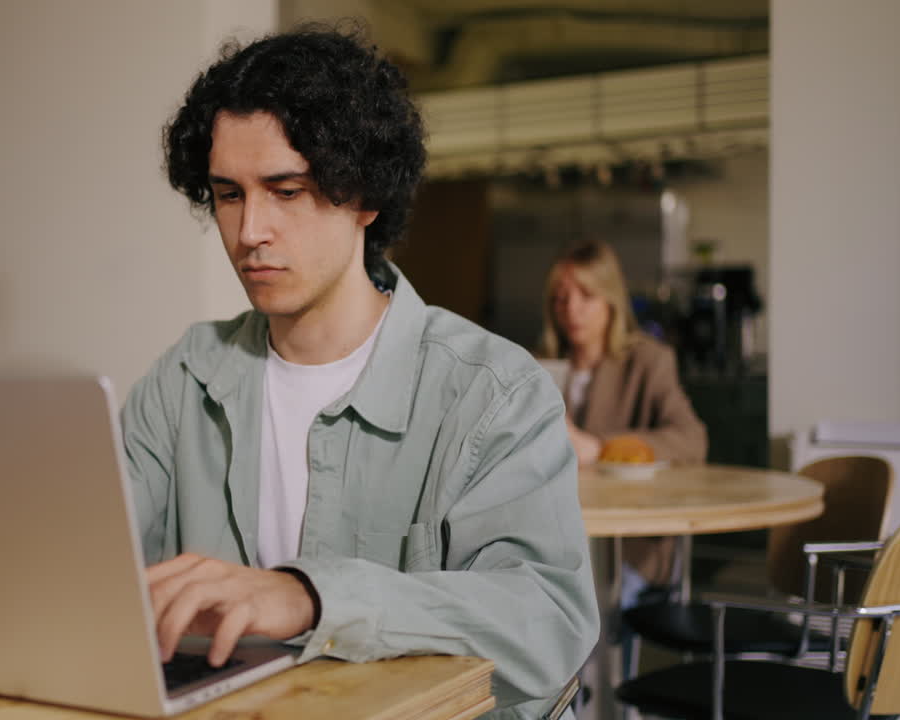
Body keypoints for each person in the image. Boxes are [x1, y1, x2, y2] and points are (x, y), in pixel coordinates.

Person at [121, 25, 599, 719]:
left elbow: (548, 620)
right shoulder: (184, 379)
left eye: (286, 190)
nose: (250, 230)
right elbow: (94, 566)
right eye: (228, 194)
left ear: (366, 197)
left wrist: (312, 599)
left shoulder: (492, 392)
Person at [537, 239, 708, 599]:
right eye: (561, 298)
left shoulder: (648, 361)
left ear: (610, 300)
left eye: (586, 296)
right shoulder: (538, 364)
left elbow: (692, 439)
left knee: (590, 599)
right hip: (553, 540)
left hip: (628, 547)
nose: (571, 310)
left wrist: (601, 448)